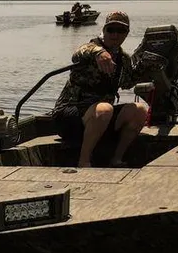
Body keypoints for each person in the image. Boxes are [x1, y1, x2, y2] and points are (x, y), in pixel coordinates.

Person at [52, 11, 149, 168]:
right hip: (69, 115)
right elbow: (78, 53)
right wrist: (99, 52)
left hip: (101, 117)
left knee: (139, 110)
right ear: (104, 30)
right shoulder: (92, 48)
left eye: (121, 31)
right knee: (105, 108)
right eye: (111, 30)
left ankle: (116, 159)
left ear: (127, 34)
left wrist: (149, 70)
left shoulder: (123, 59)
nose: (115, 34)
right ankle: (83, 162)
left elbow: (127, 82)